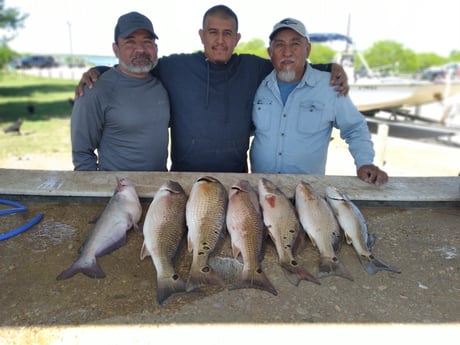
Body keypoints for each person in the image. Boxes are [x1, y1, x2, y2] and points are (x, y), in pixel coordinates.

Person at [76, 5, 348, 173]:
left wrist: (330, 67)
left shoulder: (253, 68)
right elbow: (134, 66)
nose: (220, 40)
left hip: (236, 178)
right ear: (202, 35)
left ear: (237, 38)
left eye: (227, 33)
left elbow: (289, 62)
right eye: (213, 32)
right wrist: (100, 72)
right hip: (184, 178)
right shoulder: (175, 67)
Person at [249, 18, 388, 185]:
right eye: (279, 45)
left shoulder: (330, 86)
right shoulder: (257, 84)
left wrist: (364, 162)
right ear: (270, 52)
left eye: (295, 44)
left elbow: (355, 127)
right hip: (262, 188)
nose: (287, 52)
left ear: (307, 50)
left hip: (308, 192)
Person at [71, 12, 170, 171]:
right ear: (115, 49)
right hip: (118, 191)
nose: (140, 49)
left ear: (156, 47)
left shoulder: (164, 84)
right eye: (130, 42)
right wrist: (98, 192)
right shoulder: (94, 89)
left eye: (147, 41)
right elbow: (82, 155)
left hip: (158, 189)